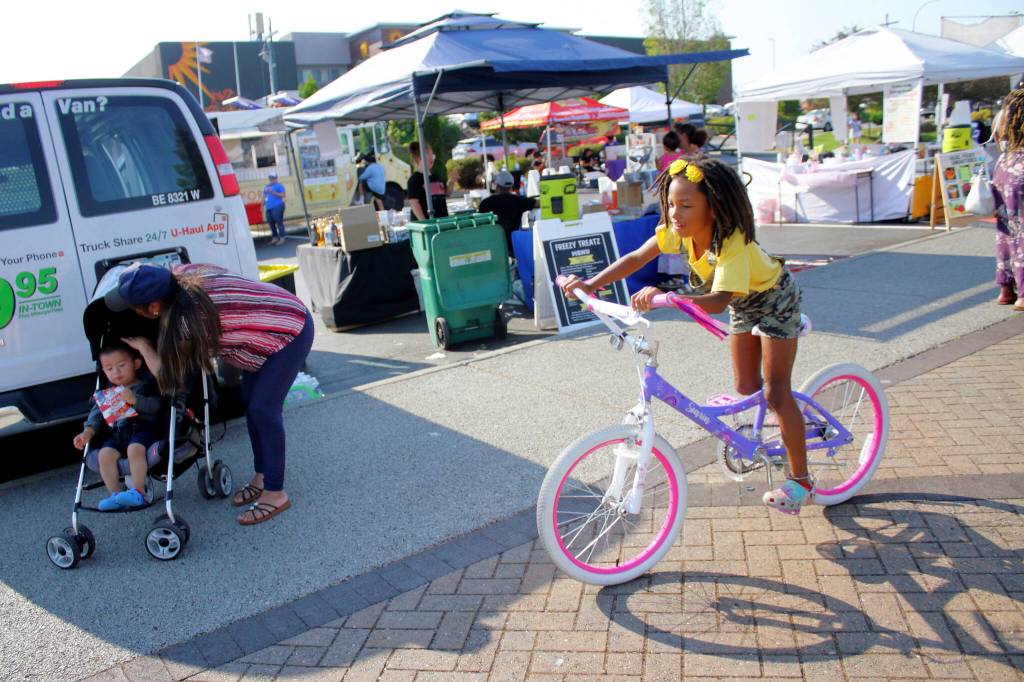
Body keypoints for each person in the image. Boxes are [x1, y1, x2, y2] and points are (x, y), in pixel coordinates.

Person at [560, 157, 811, 514]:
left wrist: (672, 299)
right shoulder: (676, 231)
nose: (675, 213)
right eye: (671, 204)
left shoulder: (732, 243)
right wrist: (592, 283)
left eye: (687, 205)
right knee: (744, 386)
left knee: (775, 390)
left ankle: (801, 481)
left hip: (776, 301)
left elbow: (720, 301)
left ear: (713, 207)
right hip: (744, 302)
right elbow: (635, 257)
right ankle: (767, 428)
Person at [106, 262, 314, 525]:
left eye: (134, 307)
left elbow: (170, 379)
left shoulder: (189, 323)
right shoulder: (180, 275)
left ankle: (276, 492)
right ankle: (263, 476)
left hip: (288, 329)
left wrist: (145, 347)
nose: (133, 313)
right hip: (262, 327)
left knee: (263, 409)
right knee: (252, 405)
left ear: (154, 306)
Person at [73, 342, 162, 511]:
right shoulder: (107, 393)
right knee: (105, 455)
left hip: (143, 428)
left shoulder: (146, 384)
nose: (116, 372)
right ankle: (115, 495)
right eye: (109, 369)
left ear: (136, 364)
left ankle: (138, 492)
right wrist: (87, 432)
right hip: (119, 432)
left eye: (121, 365)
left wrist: (135, 400)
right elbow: (96, 415)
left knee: (134, 449)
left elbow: (156, 406)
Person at [992, 88, 1024, 310]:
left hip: (1004, 168)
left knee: (1006, 231)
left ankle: (1005, 288)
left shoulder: (1004, 114)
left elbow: (996, 140)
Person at [479, 170, 537, 252]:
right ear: (511, 186)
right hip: (513, 246)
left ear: (496, 186)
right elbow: (538, 203)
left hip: (492, 246)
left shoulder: (485, 203)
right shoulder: (519, 201)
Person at [407, 142, 448, 220]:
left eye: (432, 155)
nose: (431, 158)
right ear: (419, 158)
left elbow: (446, 194)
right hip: (427, 224)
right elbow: (414, 202)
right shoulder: (415, 179)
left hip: (441, 222)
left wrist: (452, 181)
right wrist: (424, 222)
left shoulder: (436, 177)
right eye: (428, 155)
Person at [263, 173, 287, 245]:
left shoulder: (279, 185)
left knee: (279, 222)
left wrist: (273, 192)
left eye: (273, 178)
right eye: (270, 178)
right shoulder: (266, 186)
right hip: (269, 207)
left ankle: (282, 238)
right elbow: (264, 197)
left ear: (276, 178)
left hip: (278, 206)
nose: (272, 179)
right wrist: (262, 205)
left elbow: (283, 195)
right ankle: (275, 238)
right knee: (271, 222)